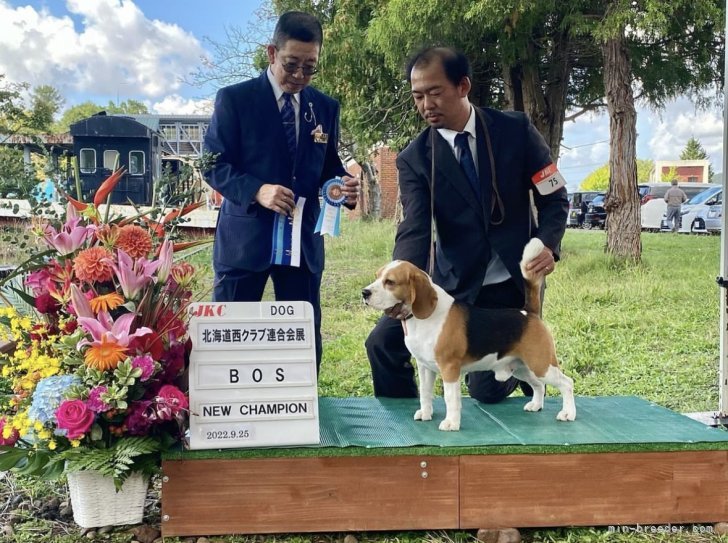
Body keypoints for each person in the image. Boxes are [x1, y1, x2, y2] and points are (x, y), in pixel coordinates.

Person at [365, 47, 569, 403]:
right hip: (454, 288)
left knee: (487, 392)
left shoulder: (516, 130)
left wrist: (548, 244)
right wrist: (399, 288)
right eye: (417, 96)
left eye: (435, 92)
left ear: (463, 86)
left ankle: (519, 361)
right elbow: (415, 228)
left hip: (511, 282)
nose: (426, 104)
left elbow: (555, 198)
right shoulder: (414, 160)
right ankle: (409, 430)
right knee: (381, 343)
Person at [204, 11, 359, 373]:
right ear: (271, 53)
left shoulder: (325, 107)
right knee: (230, 338)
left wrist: (343, 185)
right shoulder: (234, 100)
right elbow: (212, 164)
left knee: (302, 343)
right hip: (245, 242)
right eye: (292, 65)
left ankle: (300, 416)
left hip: (302, 245)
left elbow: (327, 167)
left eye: (310, 67)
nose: (300, 76)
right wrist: (257, 190)